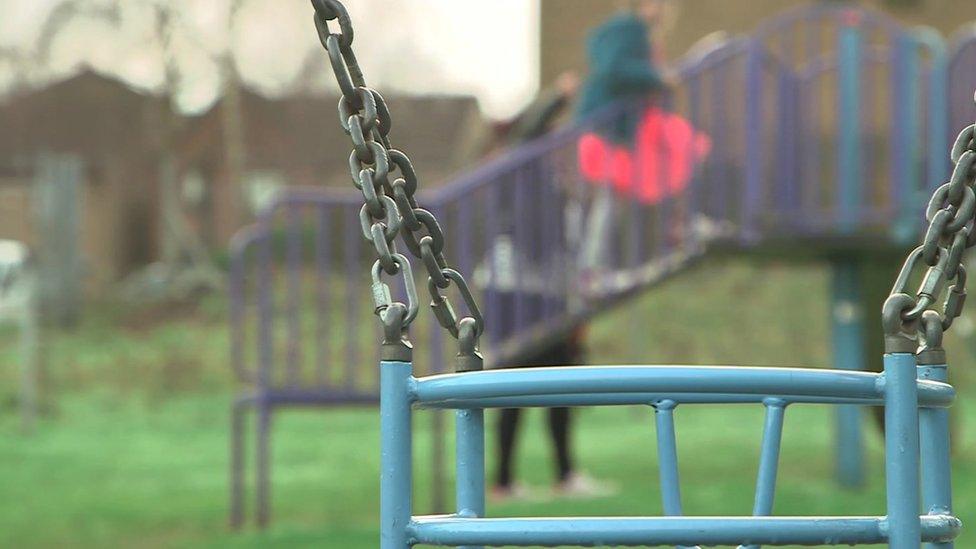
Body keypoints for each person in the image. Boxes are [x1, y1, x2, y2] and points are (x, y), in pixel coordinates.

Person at [475, 71, 614, 501]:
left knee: (561, 383)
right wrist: (558, 96)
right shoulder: (520, 168)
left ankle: (565, 474)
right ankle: (503, 482)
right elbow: (531, 133)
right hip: (513, 290)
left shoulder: (554, 183)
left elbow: (570, 243)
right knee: (512, 387)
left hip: (549, 294)